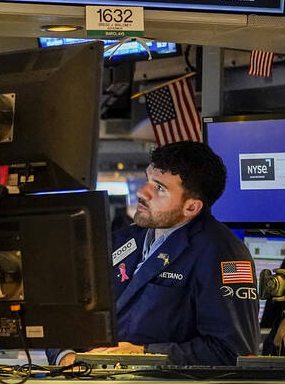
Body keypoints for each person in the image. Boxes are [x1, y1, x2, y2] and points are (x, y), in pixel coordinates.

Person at [61, 141, 259, 366]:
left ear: (191, 207)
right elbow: (68, 314)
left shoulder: (223, 252)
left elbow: (231, 351)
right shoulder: (121, 240)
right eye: (148, 180)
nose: (142, 192)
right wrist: (65, 355)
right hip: (93, 379)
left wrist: (144, 354)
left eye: (160, 188)